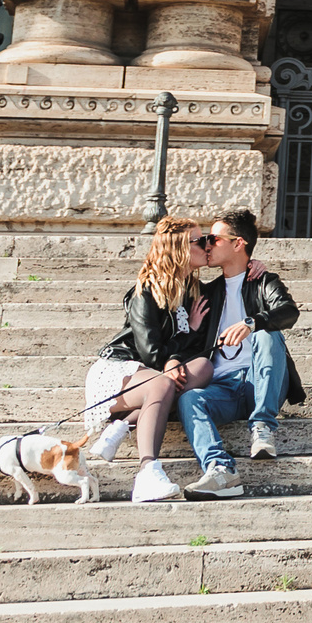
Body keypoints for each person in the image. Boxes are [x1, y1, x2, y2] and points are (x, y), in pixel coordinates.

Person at [82, 216, 217, 504]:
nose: (207, 245)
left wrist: (254, 267)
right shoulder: (146, 291)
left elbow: (191, 349)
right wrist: (181, 343)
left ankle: (122, 426)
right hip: (121, 370)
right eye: (200, 240)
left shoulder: (194, 293)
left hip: (156, 375)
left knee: (204, 368)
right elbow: (150, 352)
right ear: (180, 248)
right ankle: (147, 473)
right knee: (162, 385)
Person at [174, 208, 305, 500]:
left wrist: (252, 323)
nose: (207, 245)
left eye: (214, 239)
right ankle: (221, 470)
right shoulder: (206, 293)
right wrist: (193, 329)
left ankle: (262, 426)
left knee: (267, 333)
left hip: (263, 382)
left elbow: (288, 312)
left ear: (238, 243)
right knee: (191, 398)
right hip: (225, 387)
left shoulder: (264, 281)